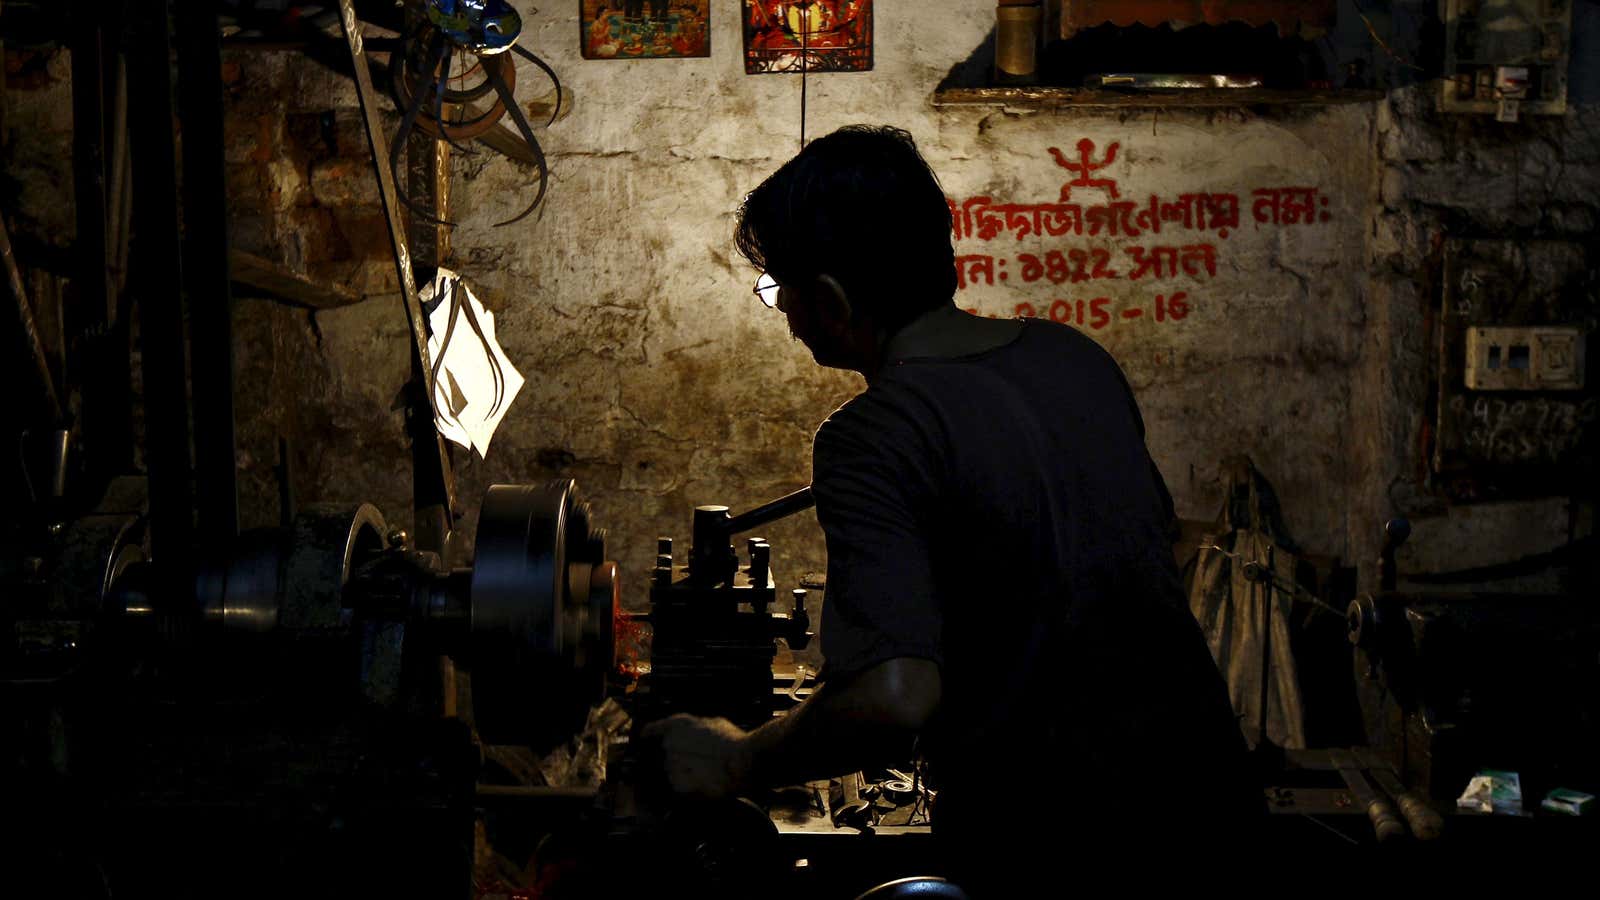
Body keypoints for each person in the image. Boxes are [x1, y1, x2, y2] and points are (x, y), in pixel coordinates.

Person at [643, 126, 1262, 889]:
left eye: (780, 293)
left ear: (831, 300)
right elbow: (1152, 545)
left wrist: (739, 758)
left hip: (1060, 847)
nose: (788, 319)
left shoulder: (872, 433)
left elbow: (896, 696)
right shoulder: (1078, 359)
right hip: (1215, 808)